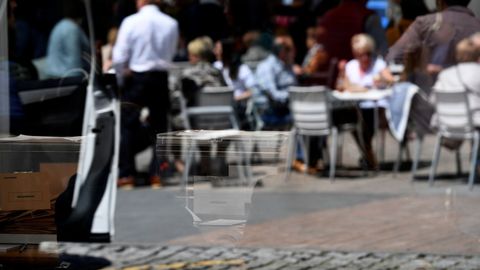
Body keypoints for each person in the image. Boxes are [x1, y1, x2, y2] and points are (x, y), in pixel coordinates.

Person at [113, 0, 179, 189]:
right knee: (160, 127)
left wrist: (119, 80)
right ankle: (157, 174)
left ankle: (126, 175)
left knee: (126, 124)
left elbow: (119, 57)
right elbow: (171, 53)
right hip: (160, 78)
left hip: (137, 77)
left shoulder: (131, 21)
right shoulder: (171, 23)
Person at [387, 0, 480, 89]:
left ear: (439, 1)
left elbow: (393, 57)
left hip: (428, 97)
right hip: (474, 99)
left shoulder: (425, 23)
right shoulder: (477, 26)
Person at [337, 34, 394, 169]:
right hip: (357, 106)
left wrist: (382, 79)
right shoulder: (350, 66)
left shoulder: (378, 64)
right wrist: (341, 73)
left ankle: (368, 156)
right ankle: (369, 156)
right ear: (355, 54)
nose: (365, 58)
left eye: (368, 53)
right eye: (361, 54)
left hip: (376, 107)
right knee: (350, 117)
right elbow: (341, 86)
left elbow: (391, 80)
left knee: (362, 119)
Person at [316, 0, 388, 63]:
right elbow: (382, 51)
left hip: (329, 75)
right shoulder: (369, 17)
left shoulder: (327, 17)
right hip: (358, 75)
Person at [433, 37, 480, 127]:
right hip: (473, 120)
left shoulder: (444, 74)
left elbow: (433, 99)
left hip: (445, 121)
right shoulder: (477, 72)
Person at [214, 38, 257, 130]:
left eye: (218, 49)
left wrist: (235, 98)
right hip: (218, 106)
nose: (215, 52)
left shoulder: (242, 69)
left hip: (237, 107)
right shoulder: (216, 67)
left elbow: (252, 91)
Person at [255, 35, 297, 129]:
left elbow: (294, 85)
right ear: (282, 52)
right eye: (290, 50)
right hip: (272, 111)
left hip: (286, 107)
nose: (294, 53)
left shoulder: (285, 65)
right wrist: (294, 95)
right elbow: (273, 95)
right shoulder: (267, 67)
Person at [44, 0, 90, 78]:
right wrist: (77, 82)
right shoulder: (71, 29)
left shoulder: (60, 25)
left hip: (56, 76)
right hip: (66, 79)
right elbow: (74, 59)